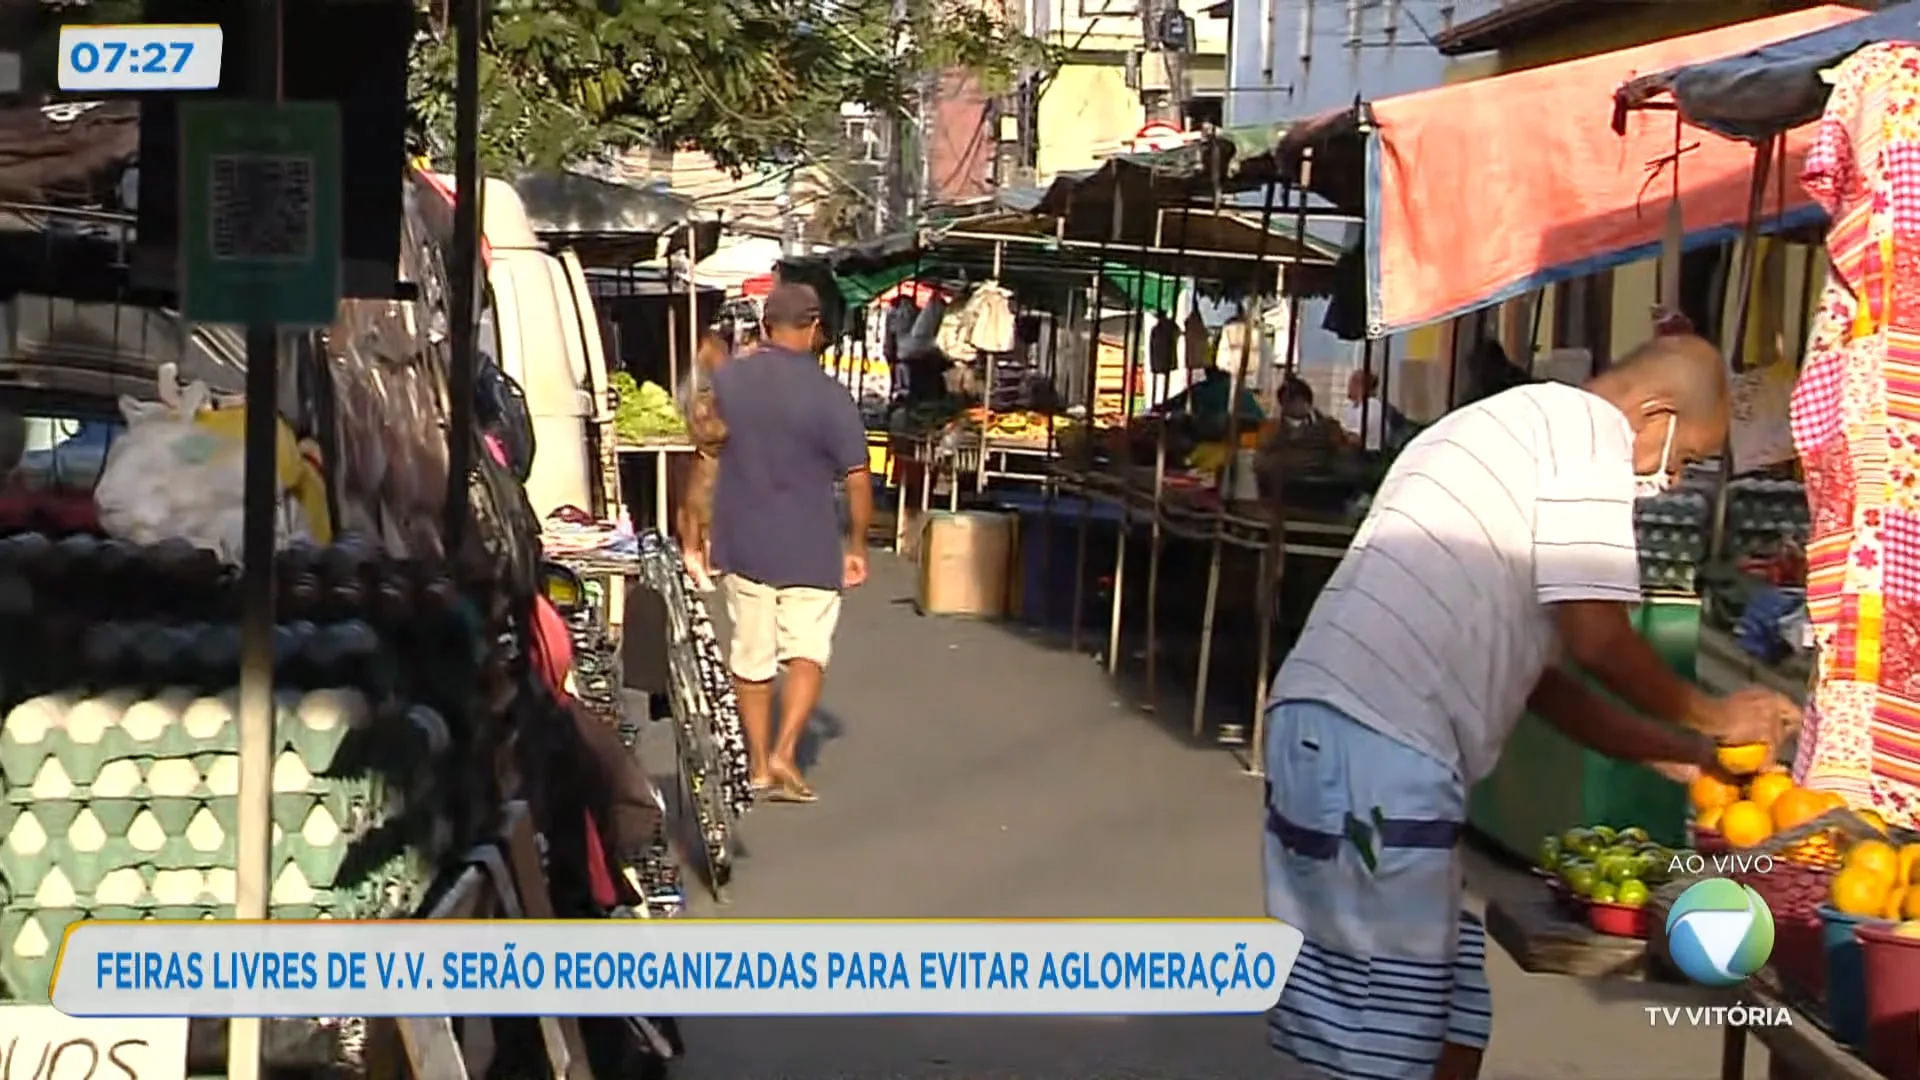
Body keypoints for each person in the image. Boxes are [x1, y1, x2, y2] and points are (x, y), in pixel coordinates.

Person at [1262, 333, 1802, 1080]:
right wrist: (1717, 717)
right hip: (1376, 748)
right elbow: (1596, 637)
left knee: (1452, 1015)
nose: (1672, 481)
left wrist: (1679, 750)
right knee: (1383, 1046)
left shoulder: (1509, 431)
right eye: (1682, 459)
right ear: (1654, 412)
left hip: (1345, 737)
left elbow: (1546, 684)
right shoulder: (1586, 435)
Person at [707, 283, 872, 803]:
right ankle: (785, 750)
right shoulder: (830, 395)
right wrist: (859, 544)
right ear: (815, 328)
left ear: (765, 326)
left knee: (751, 659)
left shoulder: (729, 381)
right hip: (811, 545)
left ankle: (757, 764)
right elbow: (858, 476)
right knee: (806, 653)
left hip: (744, 541)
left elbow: (704, 446)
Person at [677, 330, 732, 592]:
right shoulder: (704, 361)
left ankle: (703, 555)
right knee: (694, 502)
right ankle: (693, 555)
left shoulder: (711, 359)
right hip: (698, 442)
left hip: (707, 443)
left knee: (704, 501)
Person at [1339, 368, 1404, 451]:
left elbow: (1358, 440)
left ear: (1359, 386)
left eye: (1351, 383)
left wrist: (1338, 435)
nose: (1348, 387)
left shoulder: (1372, 407)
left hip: (1369, 456)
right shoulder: (1352, 406)